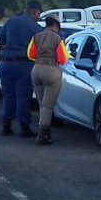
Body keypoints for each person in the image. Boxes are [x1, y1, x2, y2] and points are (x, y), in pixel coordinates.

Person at [0, 0, 41, 137]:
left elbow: (0, 42)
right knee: (23, 97)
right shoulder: (35, 27)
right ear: (34, 12)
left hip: (6, 63)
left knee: (8, 95)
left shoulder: (10, 22)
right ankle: (24, 127)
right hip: (24, 65)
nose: (39, 16)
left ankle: (6, 125)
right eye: (38, 13)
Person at [28, 15, 68, 145]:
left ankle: (45, 131)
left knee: (42, 104)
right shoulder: (58, 38)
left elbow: (30, 54)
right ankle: (43, 134)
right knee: (48, 105)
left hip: (36, 70)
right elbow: (63, 58)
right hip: (51, 71)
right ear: (56, 26)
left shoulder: (37, 36)